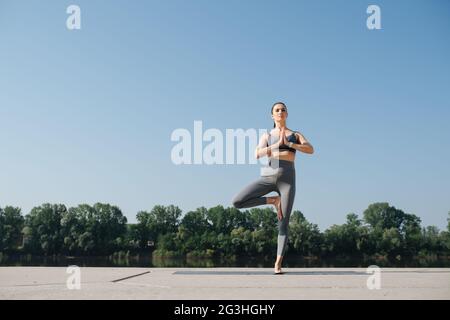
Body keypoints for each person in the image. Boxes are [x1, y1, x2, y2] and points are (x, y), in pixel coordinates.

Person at [231, 102, 314, 274]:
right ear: (272, 115)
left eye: (283, 110)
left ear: (287, 114)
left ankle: (278, 263)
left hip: (287, 180)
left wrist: (290, 145)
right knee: (237, 201)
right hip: (268, 175)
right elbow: (257, 153)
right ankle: (272, 200)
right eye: (277, 110)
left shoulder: (295, 134)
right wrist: (276, 145)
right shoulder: (268, 135)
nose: (280, 112)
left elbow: (310, 149)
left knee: (283, 223)